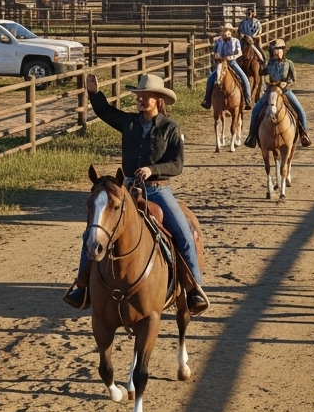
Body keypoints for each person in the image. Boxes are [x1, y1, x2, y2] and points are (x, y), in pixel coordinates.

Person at [64, 73, 210, 314]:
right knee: (94, 231)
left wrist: (152, 169)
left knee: (184, 233)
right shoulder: (129, 122)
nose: (140, 100)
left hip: (159, 190)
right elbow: (106, 112)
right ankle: (82, 285)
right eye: (138, 96)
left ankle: (193, 288)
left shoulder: (170, 128)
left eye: (145, 97)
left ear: (157, 100)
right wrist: (93, 93)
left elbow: (177, 164)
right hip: (128, 190)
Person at [245, 39, 311, 149]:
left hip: (284, 91)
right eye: (275, 50)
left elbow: (293, 78)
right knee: (256, 110)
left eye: (279, 50)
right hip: (271, 91)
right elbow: (262, 72)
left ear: (283, 51)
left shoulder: (289, 63)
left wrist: (286, 82)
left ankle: (304, 135)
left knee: (300, 110)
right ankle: (252, 136)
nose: (277, 52)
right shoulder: (269, 63)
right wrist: (260, 60)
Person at [201, 23, 252, 110]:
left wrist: (231, 57)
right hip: (221, 63)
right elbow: (215, 50)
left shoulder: (235, 41)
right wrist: (216, 55)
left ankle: (247, 100)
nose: (225, 33)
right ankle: (207, 100)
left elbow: (239, 53)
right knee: (210, 79)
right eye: (224, 31)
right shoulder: (218, 41)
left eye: (227, 31)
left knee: (244, 79)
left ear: (231, 32)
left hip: (232, 62)